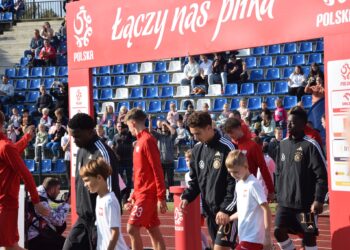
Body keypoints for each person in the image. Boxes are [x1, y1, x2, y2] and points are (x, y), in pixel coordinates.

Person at [63, 113, 121, 250]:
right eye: (72, 136)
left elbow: (111, 191)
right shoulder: (81, 149)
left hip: (99, 220)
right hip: (83, 219)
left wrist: (106, 220)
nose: (74, 140)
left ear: (90, 132)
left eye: (77, 136)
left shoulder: (103, 153)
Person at [180, 111, 237, 250]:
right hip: (210, 213)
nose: (195, 137)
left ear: (208, 128)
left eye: (198, 133)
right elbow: (196, 182)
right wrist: (187, 197)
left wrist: (225, 209)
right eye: (193, 134)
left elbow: (235, 182)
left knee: (220, 248)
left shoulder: (227, 147)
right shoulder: (197, 150)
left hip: (227, 212)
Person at [274, 106, 328, 250]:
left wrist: (318, 199)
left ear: (303, 125)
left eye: (293, 122)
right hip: (285, 202)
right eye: (288, 122)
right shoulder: (283, 144)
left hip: (305, 204)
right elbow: (278, 172)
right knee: (278, 231)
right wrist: (278, 194)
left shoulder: (310, 145)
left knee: (308, 237)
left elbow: (322, 175)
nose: (289, 125)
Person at [0, 111, 49, 250]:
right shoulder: (6, 146)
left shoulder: (5, 146)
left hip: (6, 205)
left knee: (11, 246)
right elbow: (14, 150)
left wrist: (36, 201)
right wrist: (27, 137)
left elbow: (26, 174)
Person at [124, 108, 167, 250]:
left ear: (133, 123)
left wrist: (161, 196)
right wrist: (133, 195)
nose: (129, 130)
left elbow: (157, 169)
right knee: (153, 230)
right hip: (141, 193)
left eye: (128, 126)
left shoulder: (147, 140)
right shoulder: (140, 142)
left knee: (131, 228)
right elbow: (139, 173)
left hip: (147, 194)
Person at [225, 150, 273, 250]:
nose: (233, 175)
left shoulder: (253, 184)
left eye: (236, 171)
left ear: (246, 166)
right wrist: (228, 219)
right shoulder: (239, 184)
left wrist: (267, 236)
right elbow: (243, 211)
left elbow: (266, 209)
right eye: (230, 172)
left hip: (254, 238)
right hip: (244, 236)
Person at [80, 158, 128, 250]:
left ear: (99, 178)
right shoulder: (99, 199)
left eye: (87, 180)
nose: (85, 185)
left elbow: (115, 232)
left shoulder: (109, 201)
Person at [223, 117, 275, 200]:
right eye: (228, 134)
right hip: (231, 191)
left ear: (239, 128)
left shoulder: (252, 146)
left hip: (248, 190)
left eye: (231, 132)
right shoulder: (230, 146)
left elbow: (263, 168)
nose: (230, 136)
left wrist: (271, 190)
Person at [27, 177, 70, 250]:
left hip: (33, 234)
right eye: (58, 189)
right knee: (67, 246)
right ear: (52, 189)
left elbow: (50, 213)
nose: (59, 192)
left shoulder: (37, 193)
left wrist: (63, 204)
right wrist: (67, 204)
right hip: (35, 238)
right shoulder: (40, 201)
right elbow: (59, 221)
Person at [184, 149, 210, 250]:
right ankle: (207, 247)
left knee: (193, 230)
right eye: (186, 160)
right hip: (193, 206)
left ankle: (204, 248)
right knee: (196, 230)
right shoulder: (187, 175)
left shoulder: (200, 174)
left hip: (200, 207)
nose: (188, 163)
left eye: (189, 160)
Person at [149, 115, 177, 202]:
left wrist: (166, 124)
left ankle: (171, 196)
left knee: (170, 181)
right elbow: (150, 131)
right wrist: (150, 121)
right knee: (161, 181)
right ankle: (162, 196)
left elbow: (174, 132)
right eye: (163, 126)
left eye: (165, 126)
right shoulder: (159, 136)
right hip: (161, 162)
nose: (164, 127)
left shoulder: (171, 137)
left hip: (170, 162)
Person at [112, 122, 134, 204]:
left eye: (121, 126)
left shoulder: (129, 135)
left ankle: (126, 197)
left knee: (128, 180)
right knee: (119, 180)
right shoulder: (115, 136)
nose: (120, 128)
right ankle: (122, 194)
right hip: (119, 161)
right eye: (118, 126)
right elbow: (113, 147)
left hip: (128, 160)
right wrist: (115, 154)